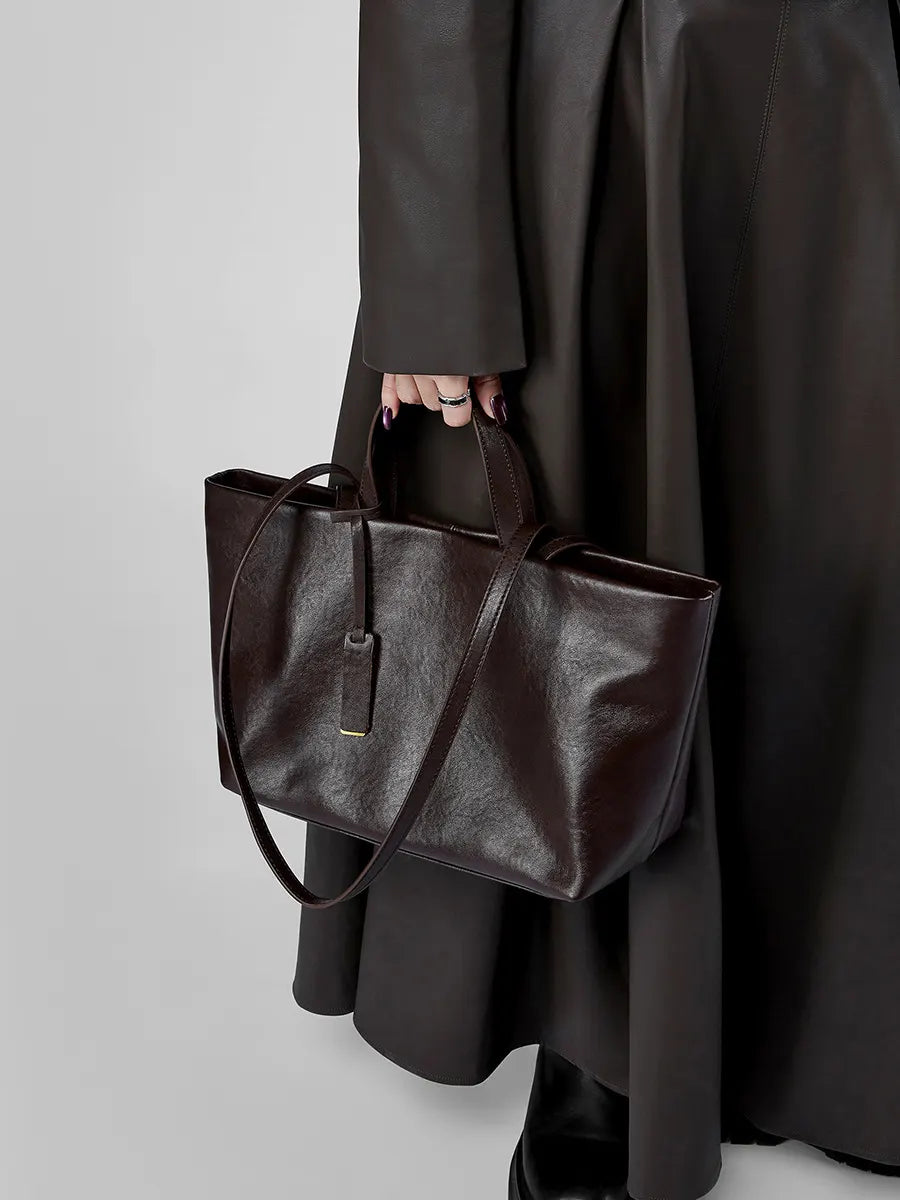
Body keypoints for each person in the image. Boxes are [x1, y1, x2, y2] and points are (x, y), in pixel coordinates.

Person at [293, 2, 900, 1197]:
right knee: (592, 602)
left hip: (848, 95)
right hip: (601, 129)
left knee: (843, 577)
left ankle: (834, 1047)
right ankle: (609, 1048)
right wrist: (433, 275)